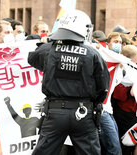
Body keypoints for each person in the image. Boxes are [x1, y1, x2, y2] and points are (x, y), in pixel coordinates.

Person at [28, 10, 110, 155]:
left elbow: (33, 58)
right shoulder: (93, 54)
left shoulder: (48, 50)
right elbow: (103, 87)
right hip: (84, 113)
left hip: (55, 113)